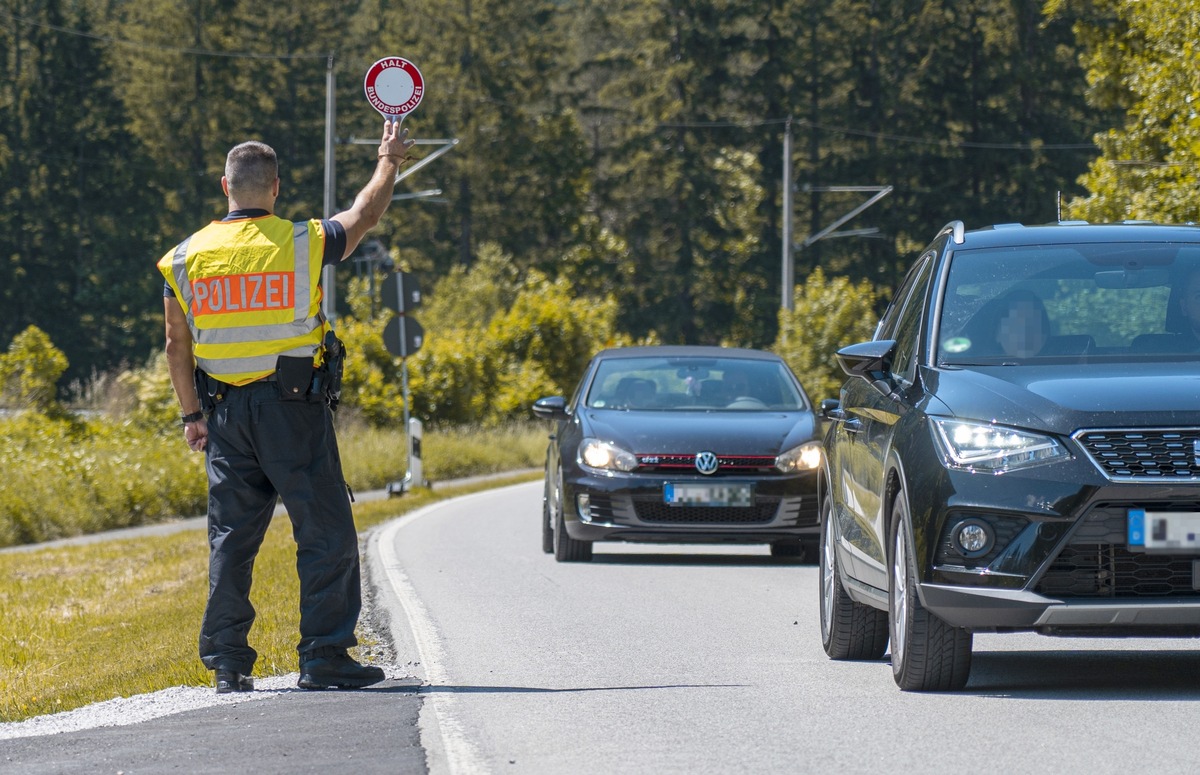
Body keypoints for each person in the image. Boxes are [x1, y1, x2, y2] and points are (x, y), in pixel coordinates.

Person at [158, 118, 415, 694]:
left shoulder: (184, 258)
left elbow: (177, 344)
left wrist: (191, 415)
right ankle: (323, 657)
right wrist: (388, 157)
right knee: (324, 531)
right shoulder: (304, 241)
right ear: (275, 188)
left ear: (225, 187)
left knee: (231, 540)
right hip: (294, 411)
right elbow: (366, 212)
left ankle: (227, 663)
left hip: (223, 415)